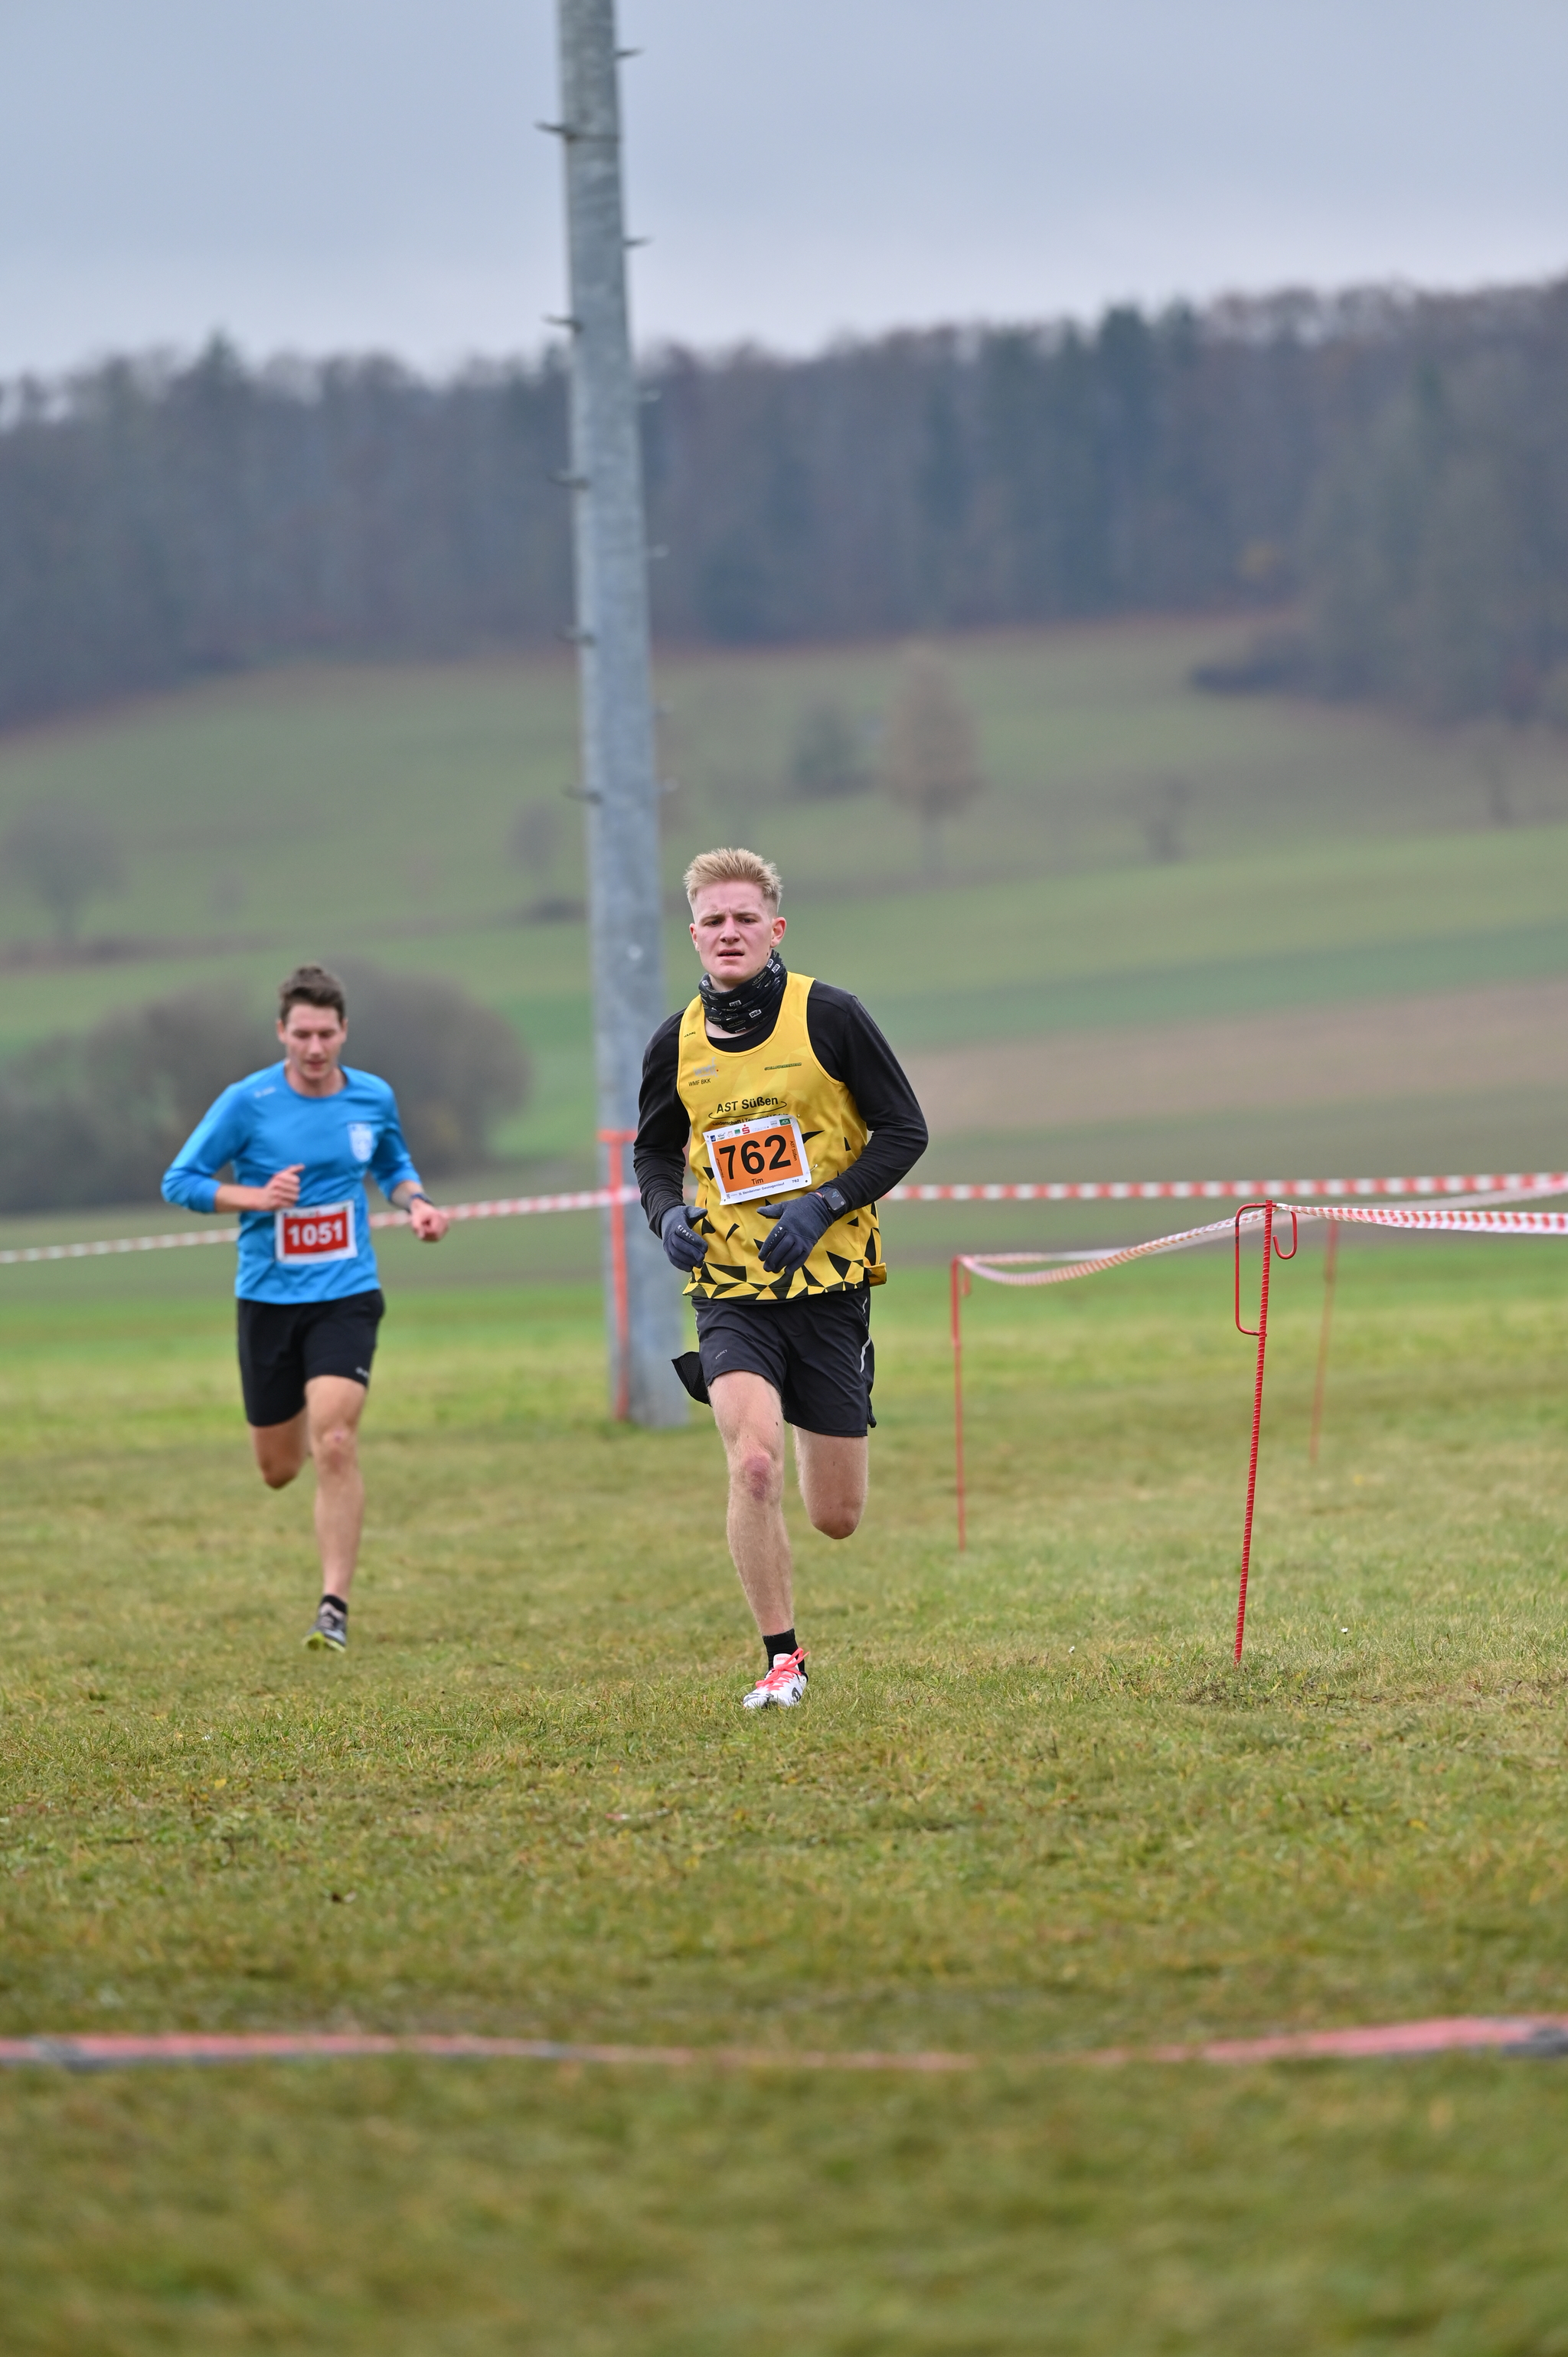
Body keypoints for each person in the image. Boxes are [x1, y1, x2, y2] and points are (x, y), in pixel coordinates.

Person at [635, 847, 928, 1709]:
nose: (729, 932)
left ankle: (817, 1397)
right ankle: (781, 1659)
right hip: (731, 1290)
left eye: (744, 918)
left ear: (775, 928)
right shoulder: (675, 1043)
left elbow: (904, 1131)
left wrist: (825, 1202)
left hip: (829, 1287)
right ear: (694, 935)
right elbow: (653, 1154)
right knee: (754, 1465)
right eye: (713, 921)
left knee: (836, 1516)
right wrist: (667, 1215)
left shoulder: (830, 1016)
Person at [162, 963, 449, 1652]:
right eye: (302, 1035)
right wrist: (254, 1198)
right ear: (281, 1033)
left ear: (344, 1030)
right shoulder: (247, 1102)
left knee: (337, 1441)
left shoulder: (372, 1096)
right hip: (268, 1299)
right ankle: (292, 1468)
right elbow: (181, 1180)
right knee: (279, 1469)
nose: (315, 1047)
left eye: (326, 1034)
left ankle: (333, 1607)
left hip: (346, 1294)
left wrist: (416, 1203)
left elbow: (392, 1166)